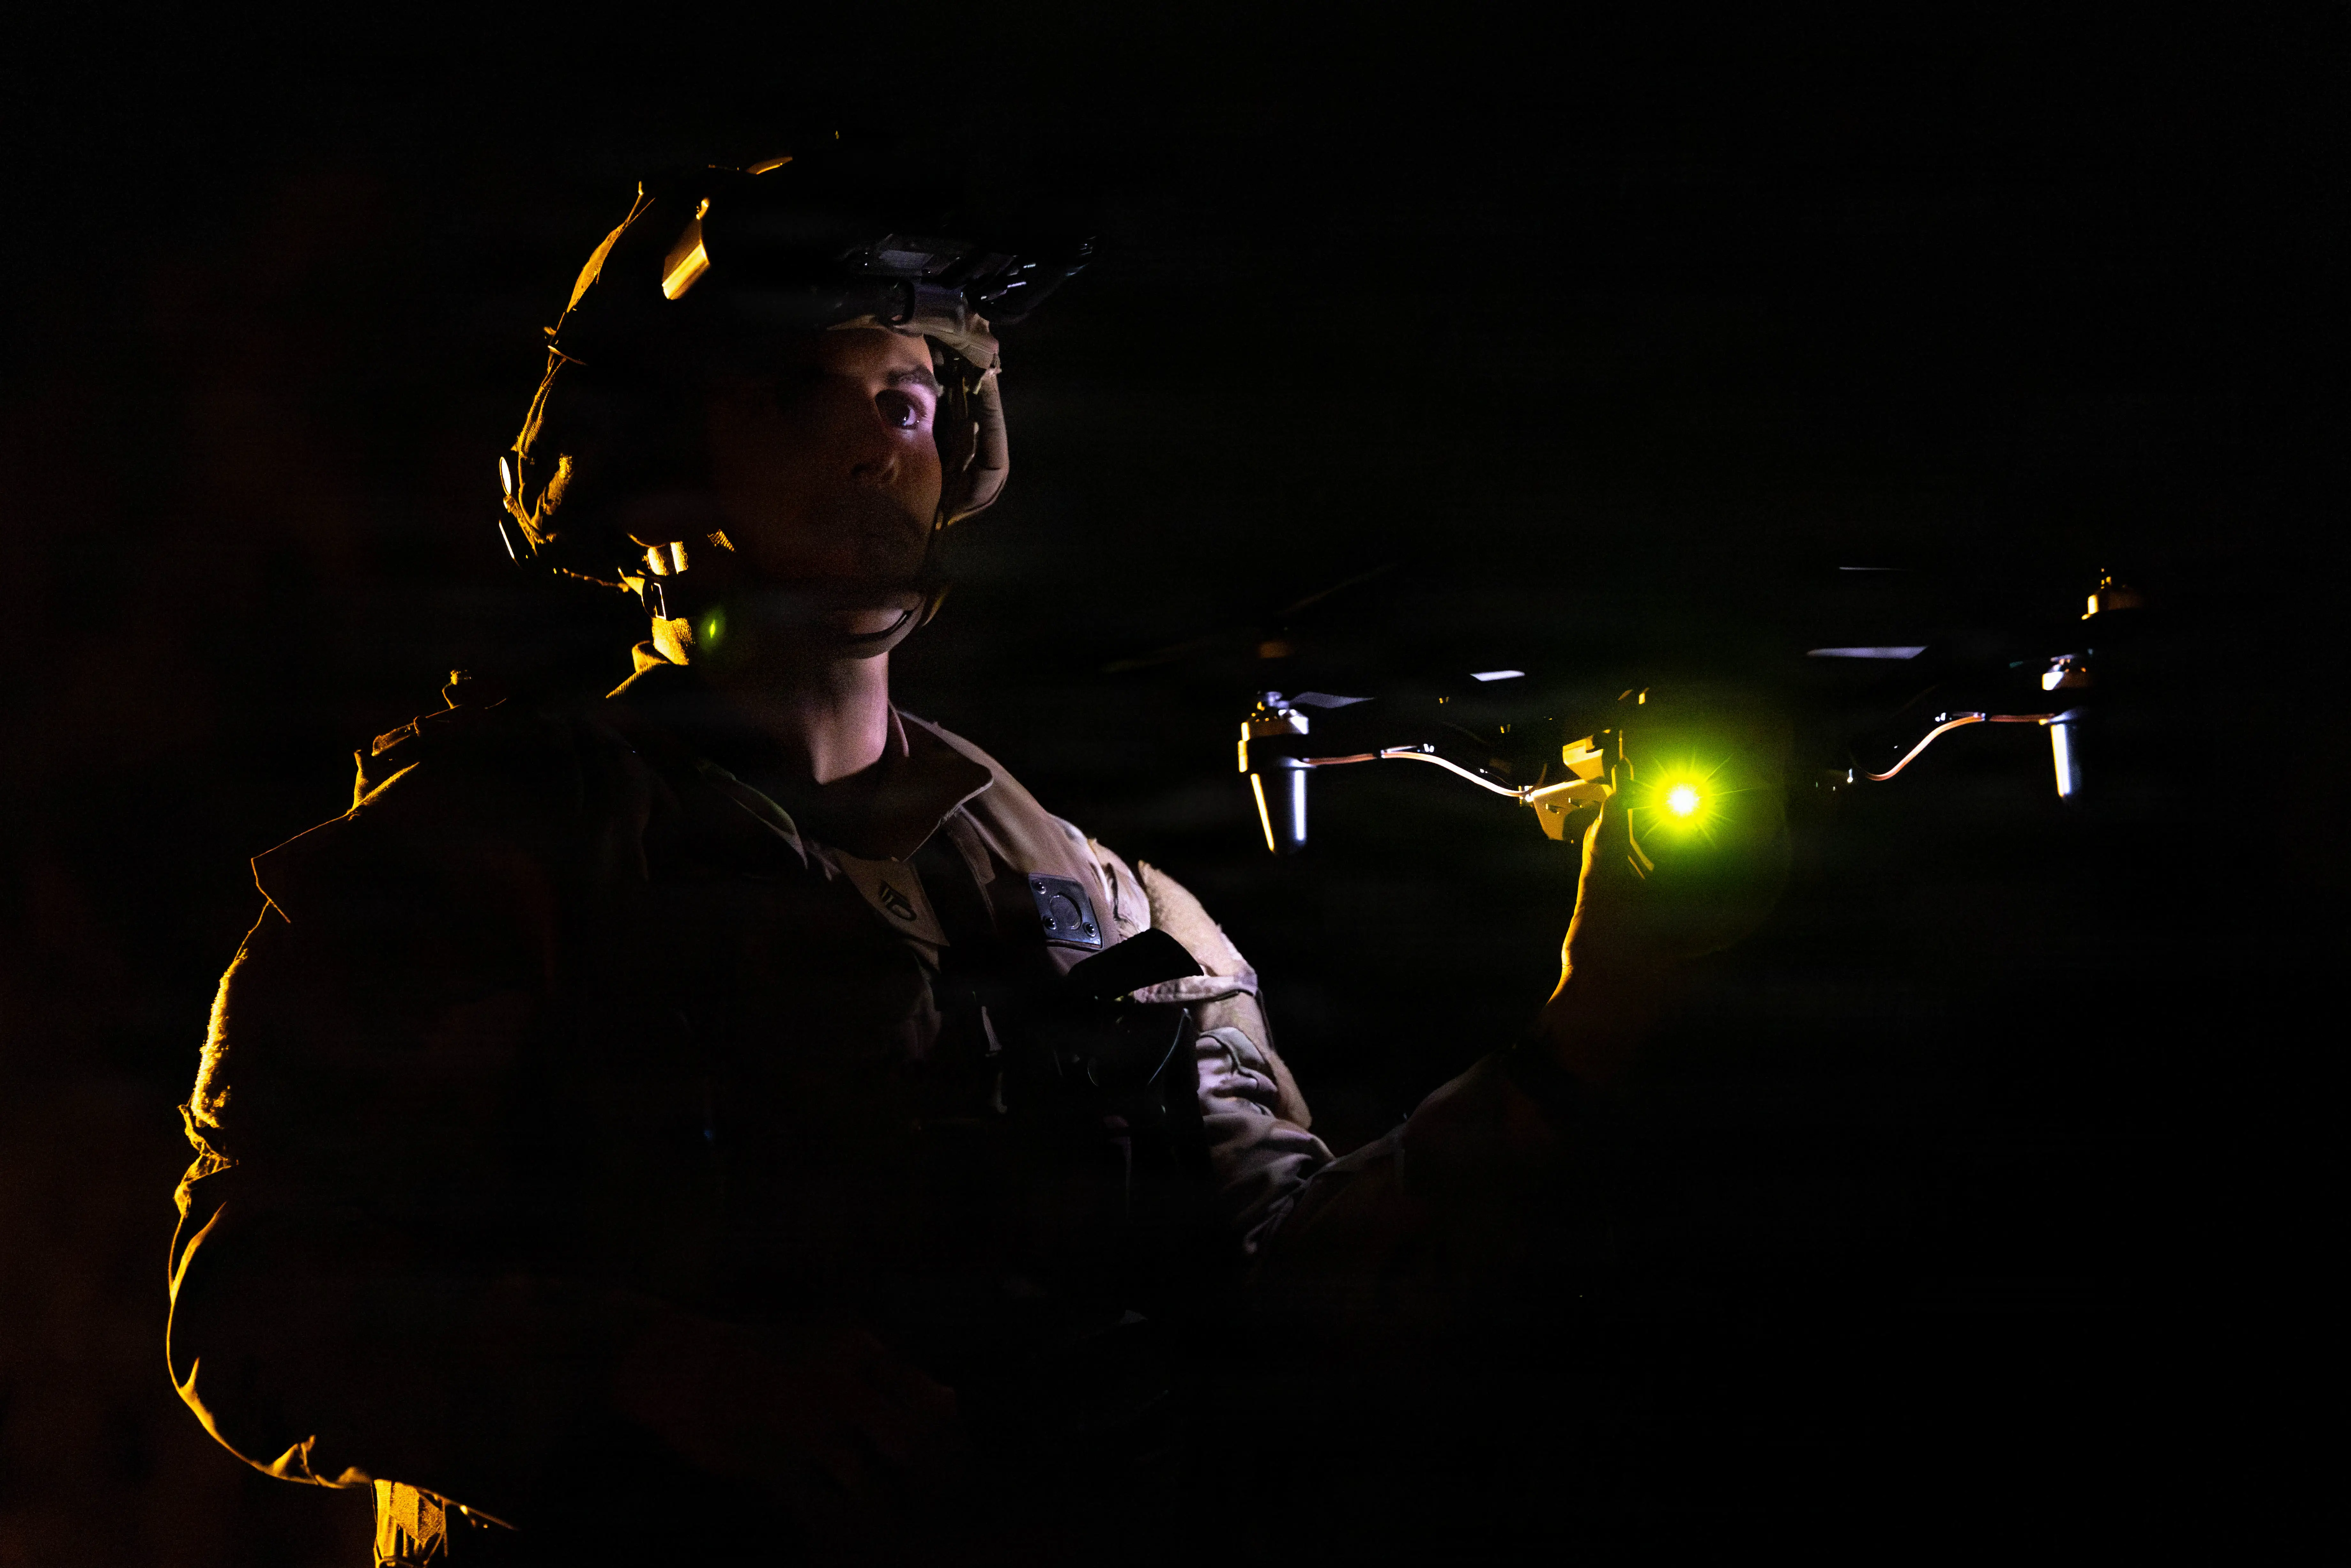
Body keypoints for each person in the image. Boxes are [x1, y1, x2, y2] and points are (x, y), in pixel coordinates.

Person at [165, 146, 1789, 1565]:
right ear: (660, 452)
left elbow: (1301, 1307)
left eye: (914, 396)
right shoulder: (482, 861)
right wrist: (650, 1370)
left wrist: (1602, 1009)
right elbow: (252, 1305)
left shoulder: (1102, 909)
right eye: (808, 390)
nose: (883, 441)